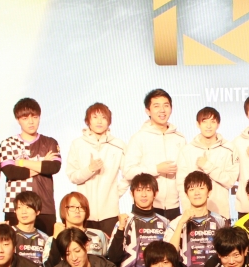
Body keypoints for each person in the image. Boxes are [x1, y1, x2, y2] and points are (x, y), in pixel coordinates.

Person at [0, 97, 62, 234]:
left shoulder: (49, 142)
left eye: (34, 117)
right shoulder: (8, 143)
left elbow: (53, 167)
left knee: (47, 244)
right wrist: (42, 164)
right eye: (25, 118)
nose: (31, 121)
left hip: (45, 207)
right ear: (18, 120)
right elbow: (11, 172)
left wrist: (22, 162)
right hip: (15, 207)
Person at [106, 173, 171, 267]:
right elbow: (112, 258)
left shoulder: (165, 223)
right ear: (132, 194)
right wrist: (121, 229)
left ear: (155, 193)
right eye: (139, 190)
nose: (144, 195)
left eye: (148, 190)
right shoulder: (124, 222)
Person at [65, 101, 128, 235]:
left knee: (110, 247)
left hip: (110, 213)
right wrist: (90, 169)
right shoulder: (78, 144)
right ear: (88, 121)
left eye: (104, 117)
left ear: (109, 122)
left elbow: (128, 174)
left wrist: (115, 193)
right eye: (95, 117)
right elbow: (72, 176)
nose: (99, 121)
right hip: (84, 212)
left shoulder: (118, 145)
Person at [123, 88, 187, 220]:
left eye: (166, 105)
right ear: (148, 111)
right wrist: (156, 169)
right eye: (156, 106)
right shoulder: (139, 138)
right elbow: (128, 171)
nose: (162, 110)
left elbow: (185, 173)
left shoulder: (179, 138)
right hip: (146, 207)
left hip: (174, 207)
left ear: (171, 108)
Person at [177, 106, 238, 220]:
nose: (208, 126)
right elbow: (181, 184)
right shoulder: (187, 150)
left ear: (218, 124)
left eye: (213, 121)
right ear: (198, 124)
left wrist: (207, 166)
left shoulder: (229, 149)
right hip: (193, 214)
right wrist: (187, 210)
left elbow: (230, 181)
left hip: (220, 212)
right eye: (204, 121)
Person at [168, 171, 228, 267]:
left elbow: (229, 253)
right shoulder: (176, 223)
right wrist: (181, 224)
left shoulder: (222, 221)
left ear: (209, 192)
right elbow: (169, 254)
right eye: (192, 189)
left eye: (201, 188)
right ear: (186, 194)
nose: (196, 193)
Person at [48, 192, 110, 267]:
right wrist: (56, 238)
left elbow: (108, 261)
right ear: (63, 210)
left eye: (81, 207)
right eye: (72, 207)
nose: (77, 211)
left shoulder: (98, 234)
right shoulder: (53, 239)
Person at [9, 190, 52, 267]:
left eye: (28, 207)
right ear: (15, 211)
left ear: (37, 211)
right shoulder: (8, 233)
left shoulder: (45, 238)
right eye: (19, 207)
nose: (23, 212)